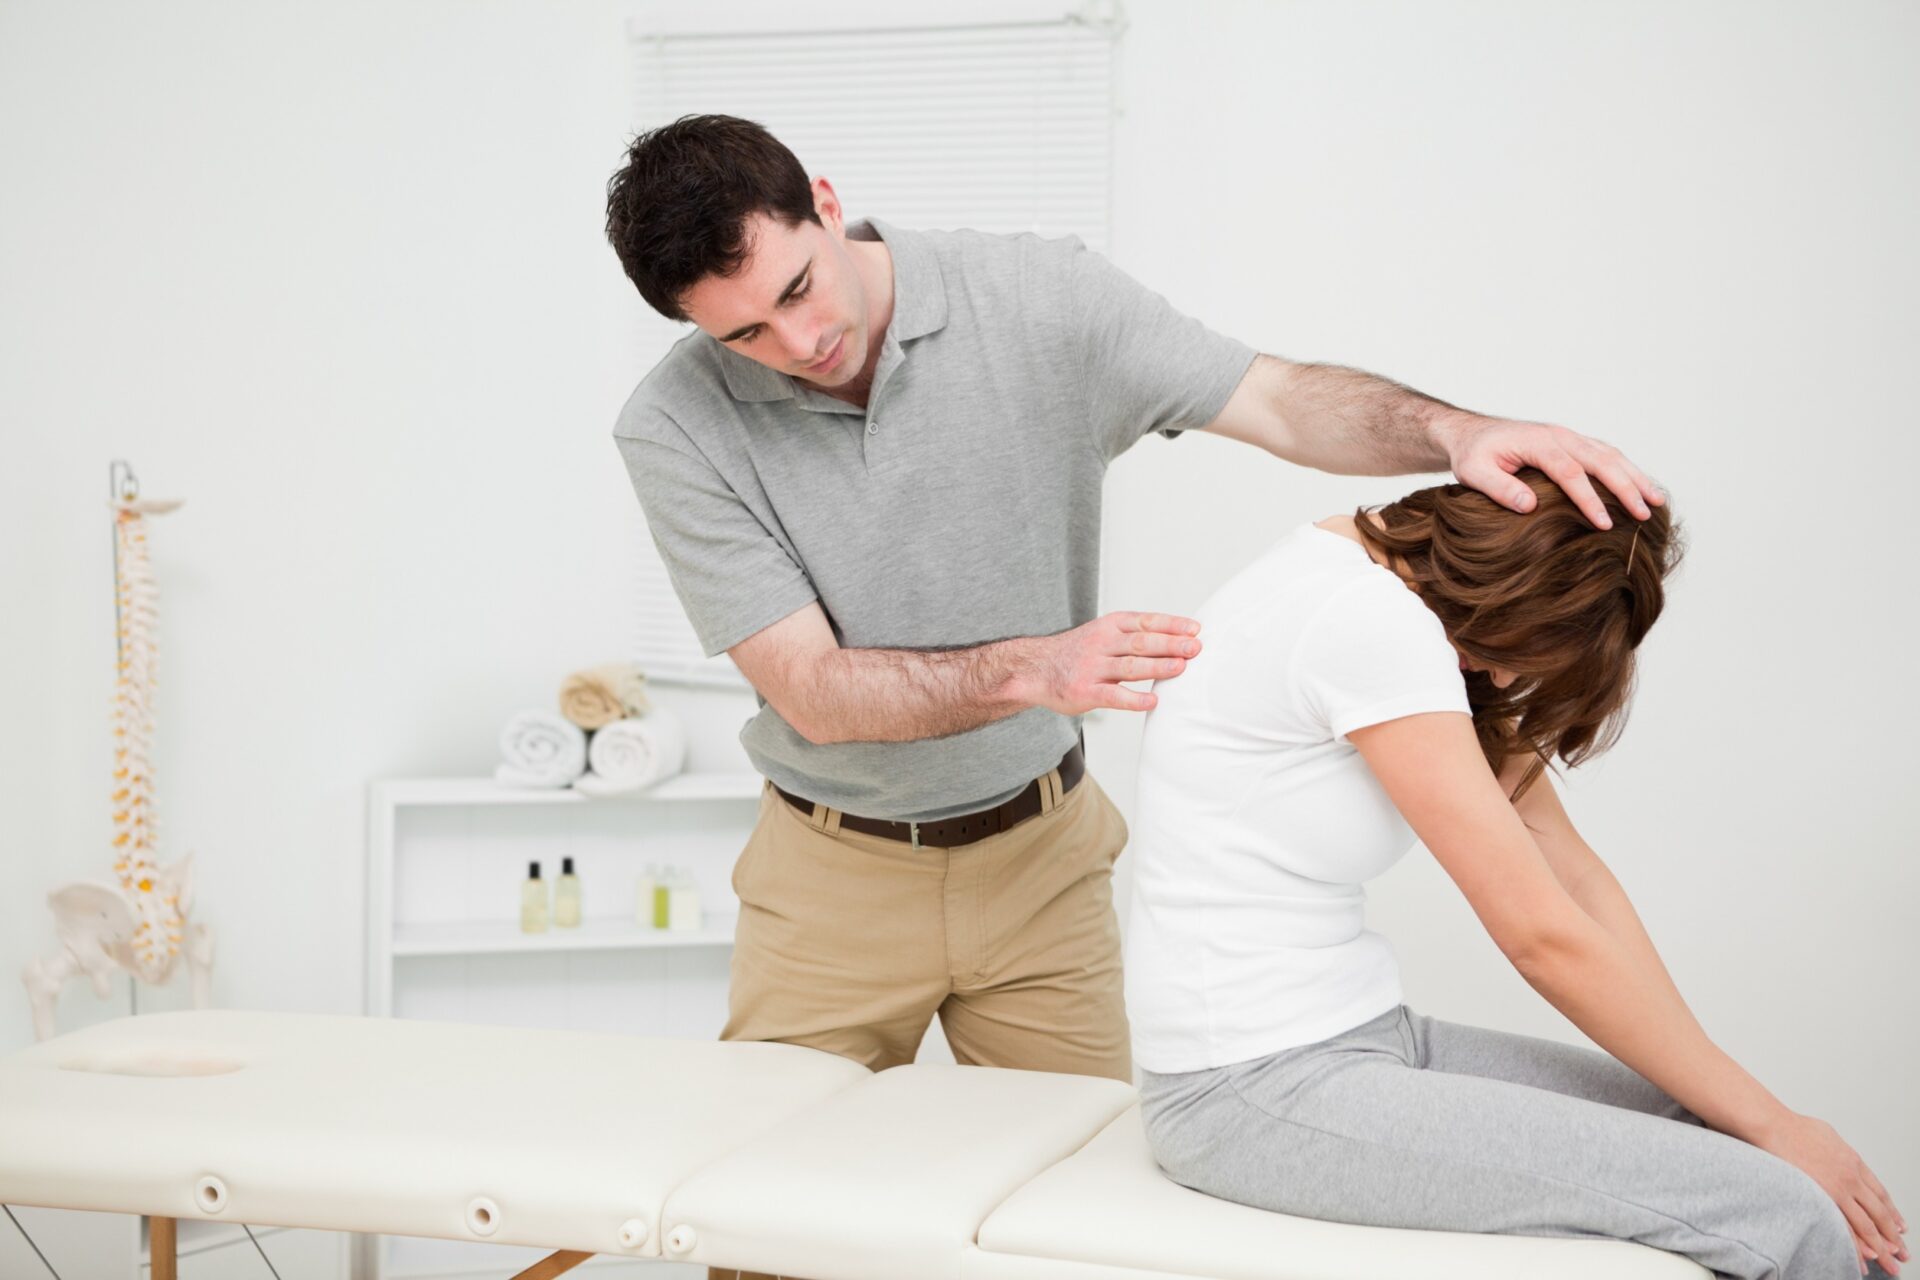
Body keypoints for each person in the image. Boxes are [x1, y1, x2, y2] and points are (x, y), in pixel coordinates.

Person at [602, 113, 1662, 1280]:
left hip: (1042, 861)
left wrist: (1455, 430)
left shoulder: (1036, 299)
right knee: (764, 1234)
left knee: (1096, 1223)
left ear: (824, 196)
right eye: (744, 330)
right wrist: (1035, 667)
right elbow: (810, 689)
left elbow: (1276, 399)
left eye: (802, 286)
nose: (799, 338)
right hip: (829, 883)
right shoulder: (675, 424)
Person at [1125, 470, 1907, 1279]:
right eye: (1519, 652)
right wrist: (1777, 1121)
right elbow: (1541, 936)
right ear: (1509, 581)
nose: (1502, 681)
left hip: (1369, 1040)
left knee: (1722, 1131)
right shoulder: (1366, 621)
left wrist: (1745, 1107)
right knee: (1785, 1211)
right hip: (1250, 1095)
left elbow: (1572, 878)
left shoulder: (1376, 580)